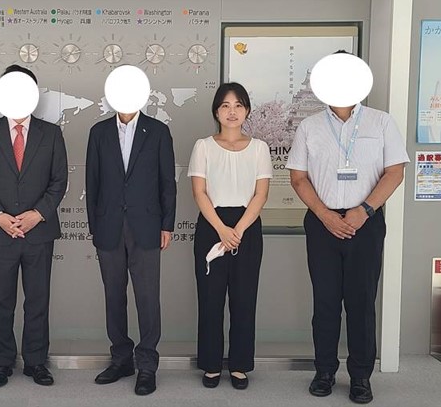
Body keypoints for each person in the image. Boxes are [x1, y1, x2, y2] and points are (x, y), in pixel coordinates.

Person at [287, 58, 409, 404]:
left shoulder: (381, 122)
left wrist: (365, 210)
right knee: (325, 302)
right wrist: (324, 215)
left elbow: (395, 171)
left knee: (361, 302)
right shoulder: (309, 126)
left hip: (365, 224)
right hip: (322, 223)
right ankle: (324, 371)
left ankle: (360, 377)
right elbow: (298, 177)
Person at [0, 65, 68, 388]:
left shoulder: (51, 134)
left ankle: (36, 362)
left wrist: (37, 214)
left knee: (37, 300)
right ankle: (2, 363)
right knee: (0, 300)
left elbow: (59, 181)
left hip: (39, 232)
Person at [86, 105, 176, 396]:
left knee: (148, 298)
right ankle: (121, 359)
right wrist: (95, 227)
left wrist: (167, 224)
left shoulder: (158, 131)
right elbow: (92, 182)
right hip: (108, 226)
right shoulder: (99, 132)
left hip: (147, 226)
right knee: (113, 296)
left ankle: (147, 364)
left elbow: (167, 182)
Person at [187, 82, 272, 390]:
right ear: (216, 112)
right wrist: (222, 229)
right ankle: (211, 365)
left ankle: (239, 365)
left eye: (238, 105)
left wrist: (238, 230)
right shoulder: (203, 146)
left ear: (246, 110)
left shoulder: (259, 148)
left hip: (247, 226)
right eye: (225, 105)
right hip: (212, 224)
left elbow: (261, 195)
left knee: (244, 299)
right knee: (210, 299)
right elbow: (199, 192)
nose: (232, 111)